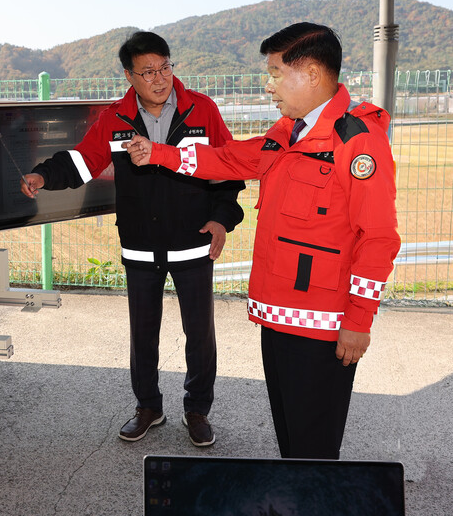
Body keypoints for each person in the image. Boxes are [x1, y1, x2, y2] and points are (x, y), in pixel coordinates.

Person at [126, 23, 400, 459]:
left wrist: (359, 319)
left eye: (274, 73)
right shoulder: (289, 131)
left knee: (314, 447)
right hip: (278, 315)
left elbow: (379, 238)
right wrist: (161, 153)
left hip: (324, 327)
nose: (267, 84)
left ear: (310, 74)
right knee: (290, 440)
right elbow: (233, 158)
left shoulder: (357, 141)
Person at [20, 31, 244, 447]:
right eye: (148, 72)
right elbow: (83, 161)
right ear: (129, 76)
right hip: (140, 244)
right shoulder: (115, 118)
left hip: (193, 242)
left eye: (165, 68)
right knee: (143, 332)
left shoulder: (203, 109)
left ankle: (197, 410)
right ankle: (148, 407)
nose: (159, 79)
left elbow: (228, 167)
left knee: (200, 333)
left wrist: (221, 220)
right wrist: (43, 175)